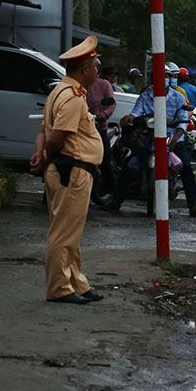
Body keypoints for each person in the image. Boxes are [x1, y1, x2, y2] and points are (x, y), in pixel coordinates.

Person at [33, 37, 106, 305]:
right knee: (64, 234)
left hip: (66, 169)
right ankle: (59, 288)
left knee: (69, 232)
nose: (97, 72)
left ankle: (76, 282)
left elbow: (44, 131)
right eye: (95, 67)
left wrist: (41, 155)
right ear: (85, 69)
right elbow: (56, 137)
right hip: (72, 171)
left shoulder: (58, 92)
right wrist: (45, 155)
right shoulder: (72, 98)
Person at [129, 63, 196, 218]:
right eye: (159, 76)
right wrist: (130, 118)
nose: (163, 79)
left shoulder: (178, 97)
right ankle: (117, 200)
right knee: (130, 162)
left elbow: (183, 121)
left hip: (173, 137)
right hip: (150, 136)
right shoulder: (145, 96)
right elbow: (136, 113)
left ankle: (194, 206)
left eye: (165, 76)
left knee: (186, 168)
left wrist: (175, 139)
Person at [85, 61, 118, 206]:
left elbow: (112, 104)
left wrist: (103, 114)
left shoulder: (104, 85)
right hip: (81, 128)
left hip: (100, 126)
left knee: (104, 159)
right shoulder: (77, 85)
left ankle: (111, 191)